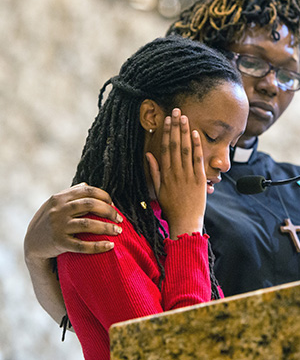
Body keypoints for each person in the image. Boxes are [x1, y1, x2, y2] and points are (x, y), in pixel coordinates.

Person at [24, 0, 300, 324]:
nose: (271, 85)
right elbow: (104, 319)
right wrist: (37, 261)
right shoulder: (162, 192)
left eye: (287, 74)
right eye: (252, 62)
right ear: (207, 58)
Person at [27, 36, 248, 359]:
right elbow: (183, 353)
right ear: (151, 116)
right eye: (213, 137)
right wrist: (188, 229)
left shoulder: (156, 221)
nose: (224, 162)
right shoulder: (97, 227)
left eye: (233, 144)